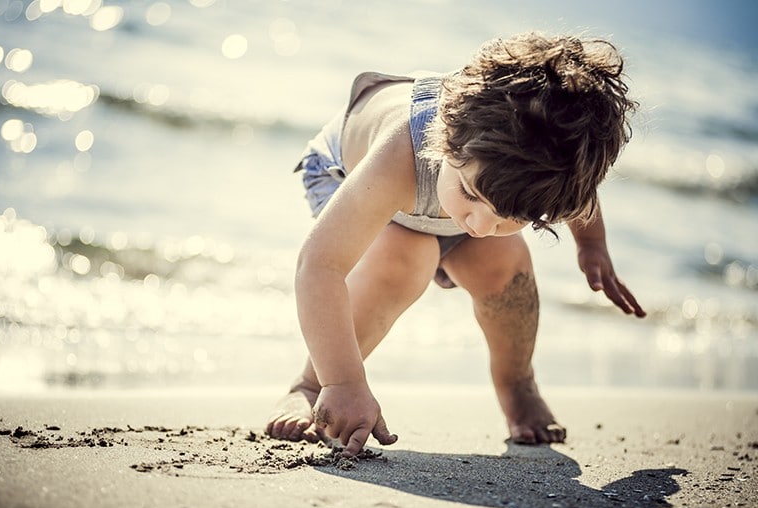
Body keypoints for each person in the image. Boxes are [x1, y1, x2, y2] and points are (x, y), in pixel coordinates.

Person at [265, 32, 646, 457]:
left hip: (442, 194)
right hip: (346, 177)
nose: (481, 225)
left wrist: (591, 245)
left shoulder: (536, 169)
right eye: (472, 195)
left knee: (508, 264)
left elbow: (577, 191)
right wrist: (344, 382)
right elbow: (320, 265)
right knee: (409, 257)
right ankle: (311, 383)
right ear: (448, 135)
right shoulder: (402, 149)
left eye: (513, 217)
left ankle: (518, 384)